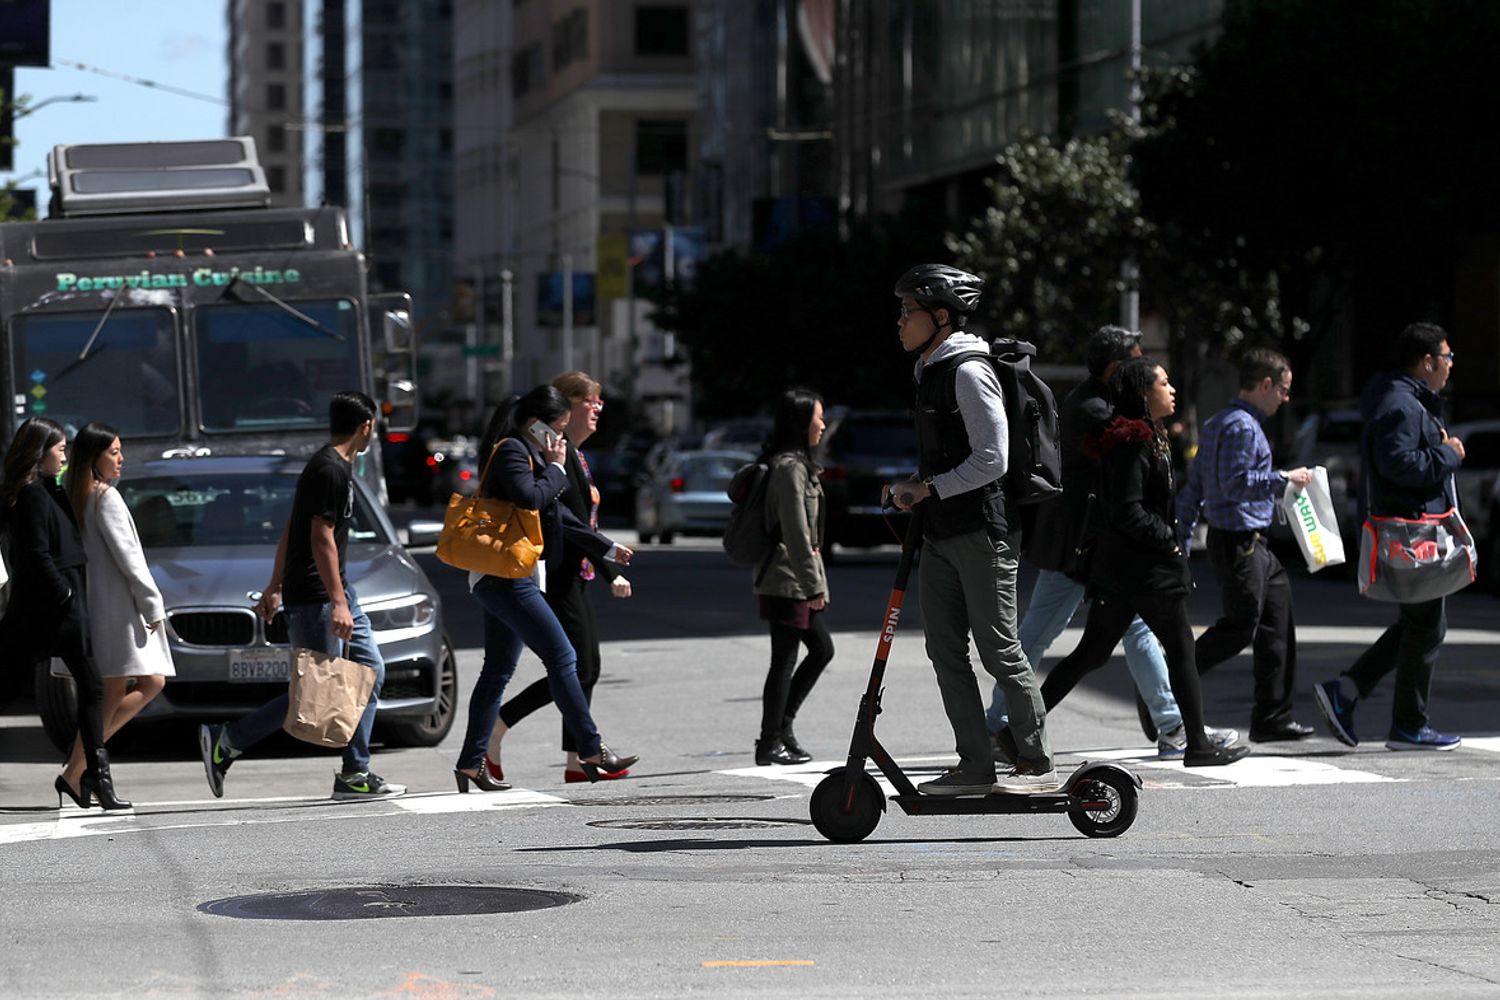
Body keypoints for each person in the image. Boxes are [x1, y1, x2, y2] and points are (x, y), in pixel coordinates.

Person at [987, 326, 1237, 759]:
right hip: (1083, 547)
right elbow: (1126, 504)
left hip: (1110, 553)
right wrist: (1170, 543)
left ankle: (1173, 724)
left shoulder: (1121, 417)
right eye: (1147, 367)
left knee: (1120, 641)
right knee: (1041, 633)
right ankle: (1002, 724)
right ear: (1125, 372)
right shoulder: (1109, 419)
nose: (1162, 380)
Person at [886, 263, 1057, 795]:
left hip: (984, 531)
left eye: (907, 311)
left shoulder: (968, 370)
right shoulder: (929, 369)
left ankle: (1037, 763)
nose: (899, 321)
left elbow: (993, 458)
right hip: (939, 531)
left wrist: (930, 488)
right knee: (944, 651)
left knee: (999, 648)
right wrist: (913, 484)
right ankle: (975, 765)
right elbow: (949, 455)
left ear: (940, 317)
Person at [199, 391, 406, 800]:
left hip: (334, 591)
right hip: (319, 598)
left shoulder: (331, 467)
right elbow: (319, 536)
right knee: (314, 690)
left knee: (371, 671)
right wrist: (338, 601)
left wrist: (275, 585)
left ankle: (355, 771)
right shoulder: (329, 470)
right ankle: (228, 740)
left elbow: (291, 530)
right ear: (366, 426)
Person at [452, 385, 633, 790]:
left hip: (510, 576)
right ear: (536, 424)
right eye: (558, 427)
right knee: (564, 657)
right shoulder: (514, 451)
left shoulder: (532, 455)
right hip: (506, 578)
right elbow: (530, 497)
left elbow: (560, 516)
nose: (562, 437)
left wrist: (606, 547)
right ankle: (591, 748)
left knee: (497, 670)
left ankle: (471, 762)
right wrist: (554, 468)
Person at [1314, 322, 1465, 751]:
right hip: (1412, 533)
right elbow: (1399, 465)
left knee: (1422, 625)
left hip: (1413, 530)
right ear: (1428, 361)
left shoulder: (1406, 400)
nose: (1451, 366)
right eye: (1448, 357)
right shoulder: (1401, 404)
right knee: (1426, 626)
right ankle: (1407, 725)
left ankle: (1347, 693)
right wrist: (1447, 454)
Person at [1177, 348, 1316, 742]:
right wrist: (1284, 478)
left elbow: (1196, 489)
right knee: (1241, 626)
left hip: (1252, 542)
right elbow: (1232, 485)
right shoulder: (1242, 428)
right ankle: (1175, 684)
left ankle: (1272, 716)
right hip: (1240, 541)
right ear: (1265, 385)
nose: (1285, 399)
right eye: (1283, 390)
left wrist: (1183, 542)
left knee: (1277, 623)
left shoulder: (1219, 422)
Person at [0, 417, 129, 810]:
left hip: (57, 607)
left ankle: (94, 777)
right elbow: (36, 553)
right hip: (47, 610)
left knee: (91, 687)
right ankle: (93, 777)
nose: (65, 456)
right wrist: (66, 592)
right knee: (10, 687)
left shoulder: (46, 490)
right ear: (39, 453)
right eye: (59, 449)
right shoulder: (32, 495)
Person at [56, 422, 174, 798]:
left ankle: (76, 769)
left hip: (94, 607)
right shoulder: (104, 497)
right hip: (117, 610)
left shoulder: (74, 495)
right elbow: (131, 559)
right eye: (114, 453)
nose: (121, 459)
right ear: (94, 458)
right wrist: (152, 604)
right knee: (140, 684)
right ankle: (76, 770)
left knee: (130, 686)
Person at [751, 388, 834, 766]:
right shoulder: (789, 468)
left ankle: (780, 730)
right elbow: (798, 533)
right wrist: (813, 584)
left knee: (819, 650)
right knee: (785, 659)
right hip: (785, 578)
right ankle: (771, 741)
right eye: (818, 417)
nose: (823, 424)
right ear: (802, 423)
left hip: (793, 576)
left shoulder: (799, 465)